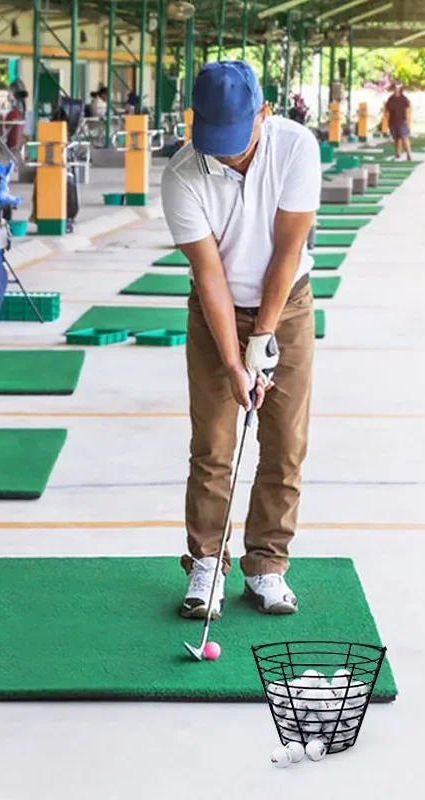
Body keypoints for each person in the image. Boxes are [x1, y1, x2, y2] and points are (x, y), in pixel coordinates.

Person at [160, 61, 321, 619]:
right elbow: (209, 276)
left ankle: (266, 565)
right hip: (216, 312)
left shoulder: (296, 148)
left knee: (284, 442)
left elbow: (287, 251)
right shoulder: (182, 174)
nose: (226, 154)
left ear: (264, 113)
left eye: (237, 137)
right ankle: (207, 562)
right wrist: (234, 361)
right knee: (213, 444)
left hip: (288, 303)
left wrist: (265, 335)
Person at [384, 83, 412, 161]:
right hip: (393, 121)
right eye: (394, 88)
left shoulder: (404, 99)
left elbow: (407, 111)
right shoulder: (390, 99)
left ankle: (408, 154)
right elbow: (387, 110)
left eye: (397, 88)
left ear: (400, 89)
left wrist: (407, 121)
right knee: (396, 138)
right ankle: (397, 154)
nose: (395, 90)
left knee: (404, 137)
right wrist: (387, 118)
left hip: (402, 121)